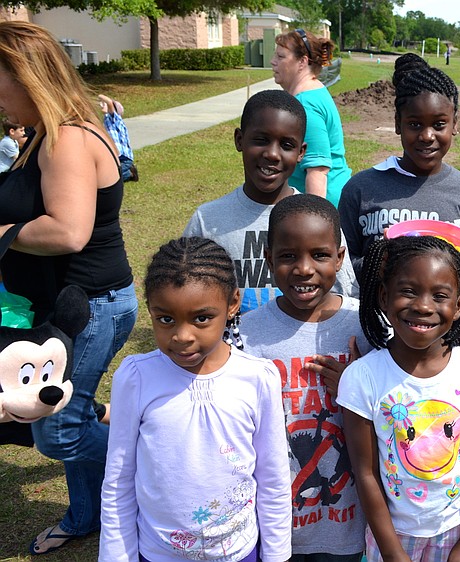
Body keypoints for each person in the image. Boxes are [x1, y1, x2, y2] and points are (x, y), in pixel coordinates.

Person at [0, 21, 139, 555]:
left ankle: (155, 464)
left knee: (57, 429)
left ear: (29, 77)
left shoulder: (68, 139)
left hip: (93, 305)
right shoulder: (40, 133)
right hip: (71, 303)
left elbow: (68, 230)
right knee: (70, 413)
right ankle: (86, 515)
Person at [99, 237, 292, 561]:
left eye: (201, 318)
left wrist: (277, 556)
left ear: (232, 303)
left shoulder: (259, 378)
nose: (182, 336)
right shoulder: (136, 377)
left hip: (238, 552)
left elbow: (273, 479)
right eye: (165, 319)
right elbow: (119, 479)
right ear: (150, 309)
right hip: (157, 553)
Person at [337, 234, 460, 562]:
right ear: (384, 296)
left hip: (456, 531)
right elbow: (365, 474)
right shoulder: (362, 378)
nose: (424, 306)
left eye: (440, 295)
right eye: (408, 291)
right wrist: (393, 553)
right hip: (391, 537)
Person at [239, 194, 369, 561]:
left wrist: (354, 387)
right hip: (277, 521)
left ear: (340, 258)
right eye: (288, 256)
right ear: (268, 259)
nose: (304, 269)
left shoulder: (365, 326)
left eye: (320, 255)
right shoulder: (247, 335)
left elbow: (396, 409)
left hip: (349, 517)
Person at [184, 89, 358, 316]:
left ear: (301, 152)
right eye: (261, 140)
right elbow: (184, 295)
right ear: (239, 140)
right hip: (233, 348)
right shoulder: (207, 220)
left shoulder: (319, 219)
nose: (273, 154)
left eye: (286, 145)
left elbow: (345, 297)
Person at [338, 53, 460, 281]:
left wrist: (455, 267)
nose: (427, 136)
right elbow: (340, 262)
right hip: (373, 315)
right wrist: (377, 265)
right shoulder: (360, 190)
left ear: (455, 124)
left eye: (439, 124)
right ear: (398, 124)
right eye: (415, 124)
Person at [271, 29, 351, 207]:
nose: (273, 62)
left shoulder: (306, 104)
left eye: (281, 56)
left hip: (325, 204)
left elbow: (318, 170)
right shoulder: (313, 91)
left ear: (302, 62)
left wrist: (315, 221)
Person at [98, 94, 138, 182]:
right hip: (116, 157)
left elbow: (109, 102)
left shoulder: (115, 118)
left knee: (113, 180)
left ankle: (130, 173)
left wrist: (99, 95)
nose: (102, 105)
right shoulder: (107, 119)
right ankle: (125, 172)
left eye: (104, 105)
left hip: (124, 158)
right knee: (107, 176)